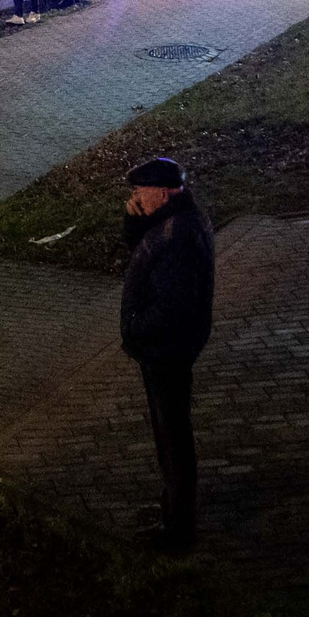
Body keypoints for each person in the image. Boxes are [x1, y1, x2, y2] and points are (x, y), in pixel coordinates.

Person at [118, 156, 214, 552]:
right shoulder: (173, 220)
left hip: (167, 348)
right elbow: (140, 251)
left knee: (172, 438)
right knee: (169, 434)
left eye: (140, 193)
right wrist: (133, 221)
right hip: (165, 346)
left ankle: (178, 531)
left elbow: (172, 306)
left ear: (161, 193)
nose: (135, 199)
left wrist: (135, 329)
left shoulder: (178, 237)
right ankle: (172, 512)